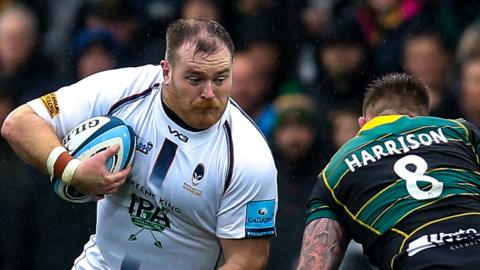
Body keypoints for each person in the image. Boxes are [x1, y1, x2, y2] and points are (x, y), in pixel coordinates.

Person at [1, 18, 277, 270]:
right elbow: (19, 123)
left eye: (220, 79)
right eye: (195, 79)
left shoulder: (248, 156)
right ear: (166, 71)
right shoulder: (122, 90)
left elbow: (248, 257)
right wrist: (71, 170)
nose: (209, 93)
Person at [297, 73, 480, 270]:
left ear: (363, 124)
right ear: (425, 118)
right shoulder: (459, 131)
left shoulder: (336, 170)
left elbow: (315, 263)